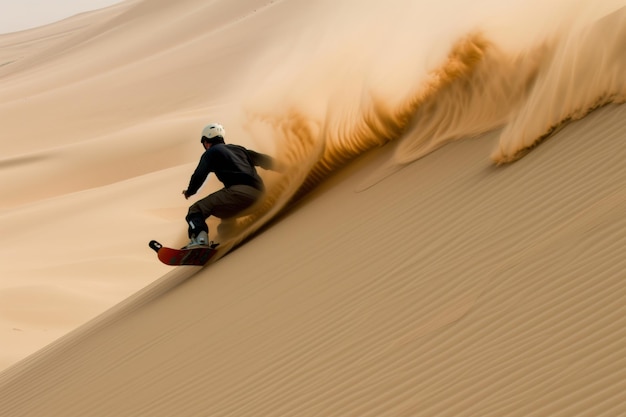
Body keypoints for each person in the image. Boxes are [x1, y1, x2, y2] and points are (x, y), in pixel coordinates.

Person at [182, 123, 277, 248]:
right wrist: (289, 168)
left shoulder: (210, 153)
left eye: (203, 142)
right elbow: (265, 160)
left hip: (240, 193)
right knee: (226, 216)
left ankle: (200, 241)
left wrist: (190, 191)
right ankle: (225, 241)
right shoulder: (239, 149)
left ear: (206, 141)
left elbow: (199, 175)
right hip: (260, 197)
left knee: (195, 210)